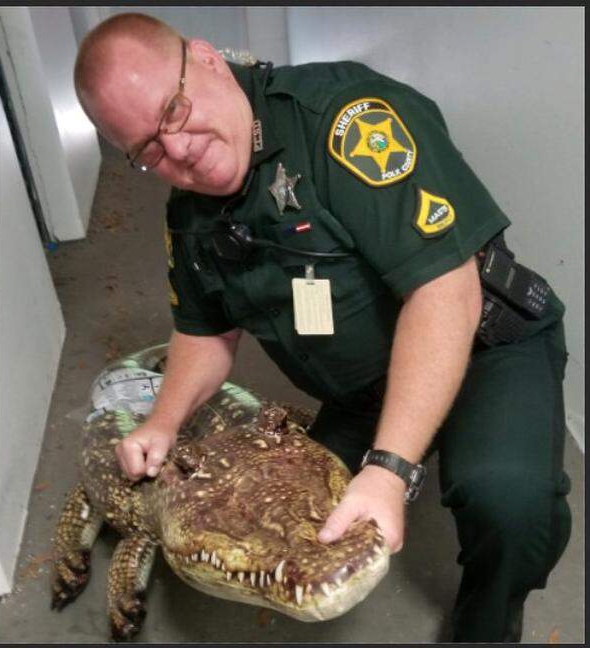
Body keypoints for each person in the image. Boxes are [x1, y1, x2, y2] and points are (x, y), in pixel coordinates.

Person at [73, 12, 571, 643]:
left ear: (204, 57)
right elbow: (205, 333)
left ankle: (488, 621)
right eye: (145, 148)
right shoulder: (189, 216)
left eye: (172, 110)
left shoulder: (346, 119)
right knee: (258, 511)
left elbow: (445, 292)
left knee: (507, 500)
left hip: (483, 345)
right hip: (365, 389)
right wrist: (162, 424)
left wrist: (390, 470)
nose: (176, 148)